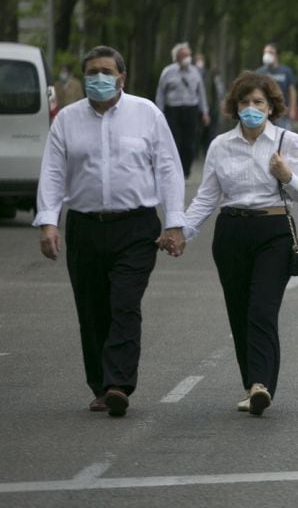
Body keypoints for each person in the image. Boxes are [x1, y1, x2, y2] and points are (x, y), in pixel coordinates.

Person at [34, 45, 186, 417]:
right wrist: (49, 221)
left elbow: (168, 168)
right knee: (92, 309)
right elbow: (53, 173)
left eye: (106, 71)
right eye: (92, 73)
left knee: (124, 303)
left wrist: (175, 223)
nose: (98, 78)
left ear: (122, 77)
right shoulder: (67, 120)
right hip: (86, 226)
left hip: (135, 227)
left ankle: (119, 383)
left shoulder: (146, 114)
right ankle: (100, 385)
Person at [175, 71, 298, 416]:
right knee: (239, 312)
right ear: (235, 107)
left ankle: (261, 385)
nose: (251, 108)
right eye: (245, 102)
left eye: (258, 103)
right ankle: (251, 383)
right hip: (231, 233)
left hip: (273, 233)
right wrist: (182, 232)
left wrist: (287, 175)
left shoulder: (286, 141)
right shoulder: (221, 145)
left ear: (271, 108)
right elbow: (207, 197)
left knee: (261, 309)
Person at [155, 42, 210, 180]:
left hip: (191, 109)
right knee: (174, 140)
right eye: (184, 55)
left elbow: (201, 92)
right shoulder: (168, 72)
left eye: (189, 55)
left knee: (189, 142)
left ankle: (186, 171)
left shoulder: (195, 72)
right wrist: (158, 113)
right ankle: (175, 171)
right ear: (177, 57)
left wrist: (205, 112)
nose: (187, 57)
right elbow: (160, 93)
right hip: (173, 109)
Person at [256, 43, 298, 130]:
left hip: (282, 113)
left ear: (277, 55)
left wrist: (292, 109)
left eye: (271, 52)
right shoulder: (259, 72)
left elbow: (292, 91)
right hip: (264, 113)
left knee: (284, 139)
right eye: (265, 52)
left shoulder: (286, 71)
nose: (267, 55)